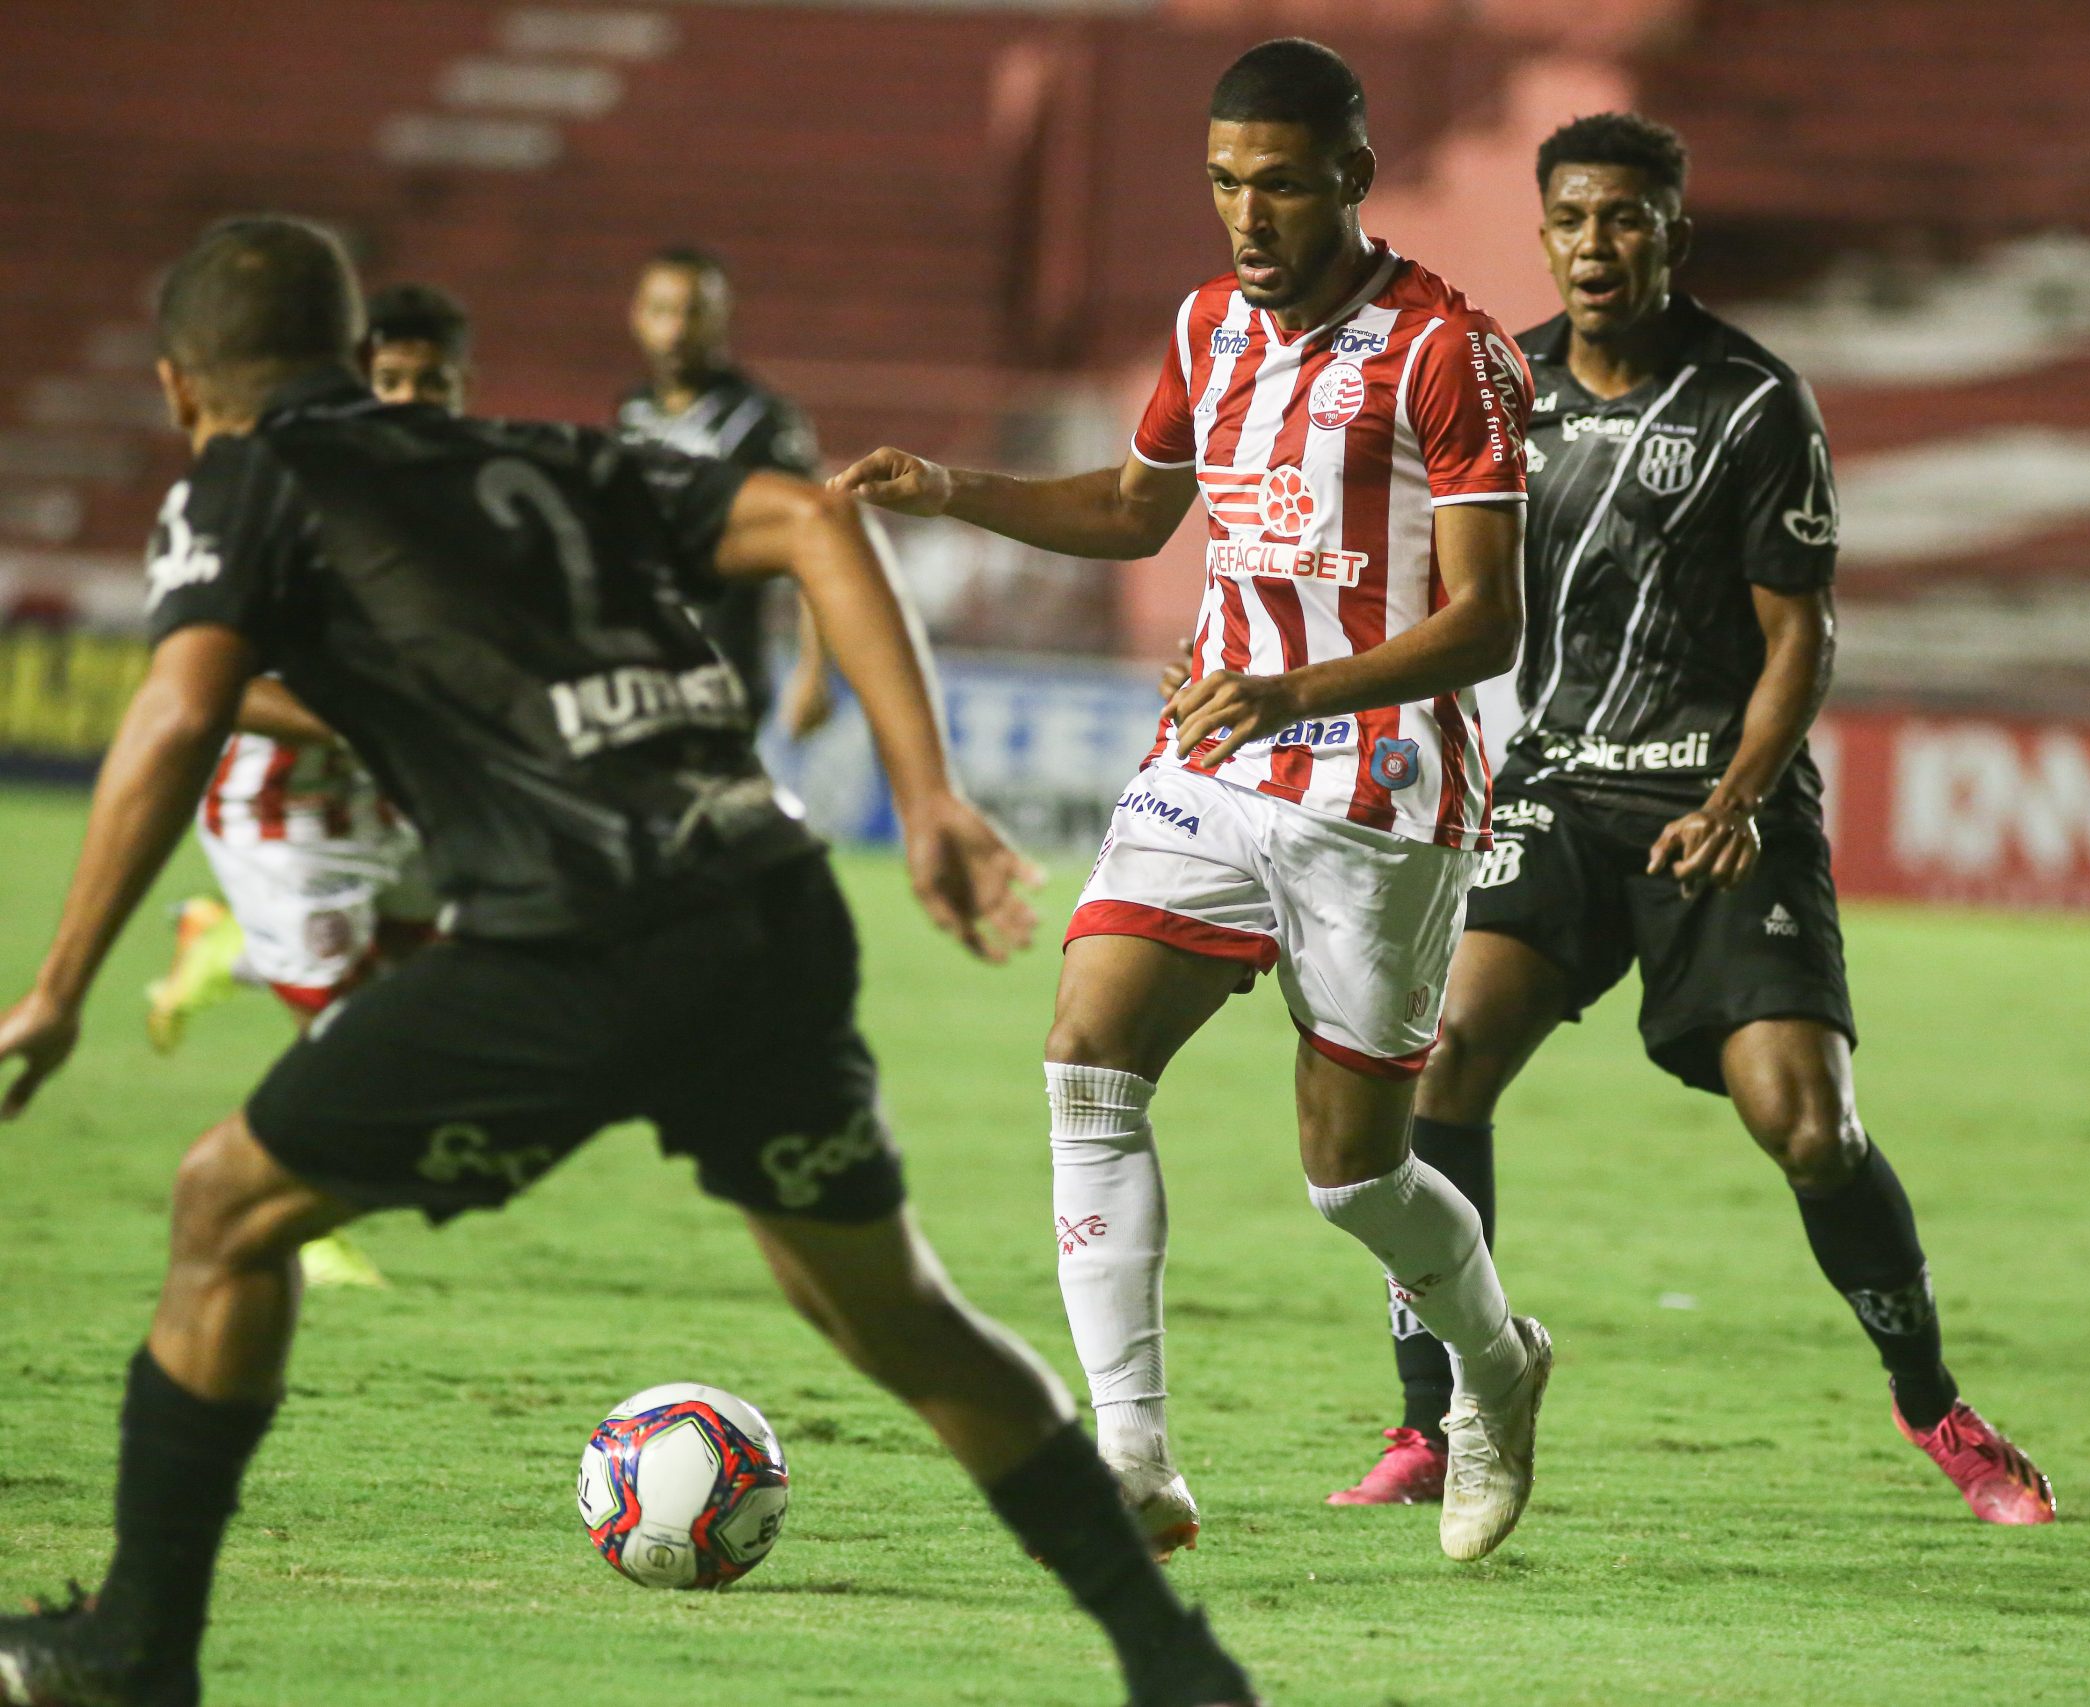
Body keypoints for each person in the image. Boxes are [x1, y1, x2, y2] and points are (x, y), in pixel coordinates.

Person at [0, 216, 1256, 1707]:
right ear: (349, 356)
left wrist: (62, 986)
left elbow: (176, 709)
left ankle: (137, 1644)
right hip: (765, 904)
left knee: (223, 1206)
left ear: (178, 389)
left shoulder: (244, 476)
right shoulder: (540, 449)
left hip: (571, 935)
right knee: (891, 1309)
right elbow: (812, 521)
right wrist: (924, 792)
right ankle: (1177, 1666)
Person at [837, 38, 1552, 1566]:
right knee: (1086, 1050)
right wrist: (952, 489)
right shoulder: (1209, 326)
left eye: (1281, 184)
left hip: (1377, 786)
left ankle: (1498, 1360)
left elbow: (1491, 619)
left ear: (1354, 177)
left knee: (1353, 1171)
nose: (1247, 214)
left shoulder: (1447, 349)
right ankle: (1135, 1451)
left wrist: (1298, 689)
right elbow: (1130, 505)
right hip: (1213, 759)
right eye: (1226, 180)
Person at [1321, 113, 2055, 1526]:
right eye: (1576, 219)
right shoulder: (1499, 388)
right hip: (1558, 781)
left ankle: (1937, 1409)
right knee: (1438, 1064)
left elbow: (1805, 636)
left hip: (1722, 795)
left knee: (1810, 1123)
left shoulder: (1753, 401)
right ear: (1545, 234)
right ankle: (1437, 1421)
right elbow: (1425, 590)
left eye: (1629, 218)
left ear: (1675, 231)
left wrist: (1736, 797)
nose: (1600, 244)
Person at [141, 283, 476, 1293]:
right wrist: (355, 719)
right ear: (353, 382)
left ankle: (224, 942)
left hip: (387, 799)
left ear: (465, 389)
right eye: (390, 379)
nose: (411, 398)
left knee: (440, 980)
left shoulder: (469, 501)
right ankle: (298, 1211)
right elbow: (212, 685)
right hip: (281, 814)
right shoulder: (280, 497)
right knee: (350, 1033)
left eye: (433, 381)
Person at [615, 246, 834, 740]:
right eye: (662, 311)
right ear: (636, 316)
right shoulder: (632, 413)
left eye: (693, 312)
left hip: (721, 673)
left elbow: (818, 544)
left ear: (721, 318)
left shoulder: (760, 422)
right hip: (635, 671)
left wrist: (814, 670)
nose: (675, 330)